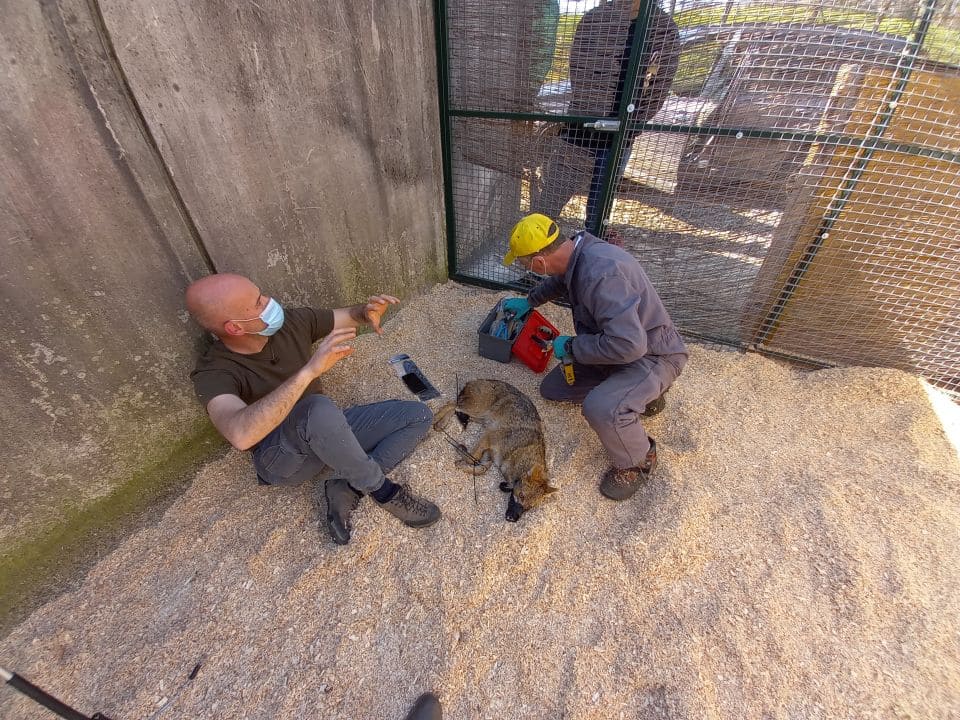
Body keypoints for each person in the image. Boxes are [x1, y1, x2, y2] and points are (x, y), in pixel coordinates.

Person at [184, 273, 441, 545]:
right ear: (235, 328)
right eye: (259, 303)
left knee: (417, 416)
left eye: (262, 294)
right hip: (285, 459)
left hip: (327, 431)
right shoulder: (214, 371)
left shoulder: (292, 323)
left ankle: (347, 485)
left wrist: (366, 312)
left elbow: (347, 315)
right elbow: (240, 434)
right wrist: (307, 372)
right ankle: (385, 493)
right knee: (317, 407)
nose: (270, 302)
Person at [501, 213, 687, 500]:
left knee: (600, 408)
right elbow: (561, 280)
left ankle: (639, 460)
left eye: (525, 263)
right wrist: (530, 300)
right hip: (617, 347)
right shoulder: (576, 252)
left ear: (539, 261)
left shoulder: (601, 274)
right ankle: (637, 395)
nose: (529, 268)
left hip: (653, 355)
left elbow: (630, 345)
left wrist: (573, 347)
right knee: (553, 388)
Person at [534, 0, 680, 236]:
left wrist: (632, 124)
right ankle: (535, 267)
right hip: (580, 132)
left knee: (597, 216)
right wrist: (591, 113)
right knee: (547, 206)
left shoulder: (663, 28)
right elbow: (577, 70)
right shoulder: (594, 19)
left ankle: (588, 264)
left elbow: (660, 85)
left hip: (620, 138)